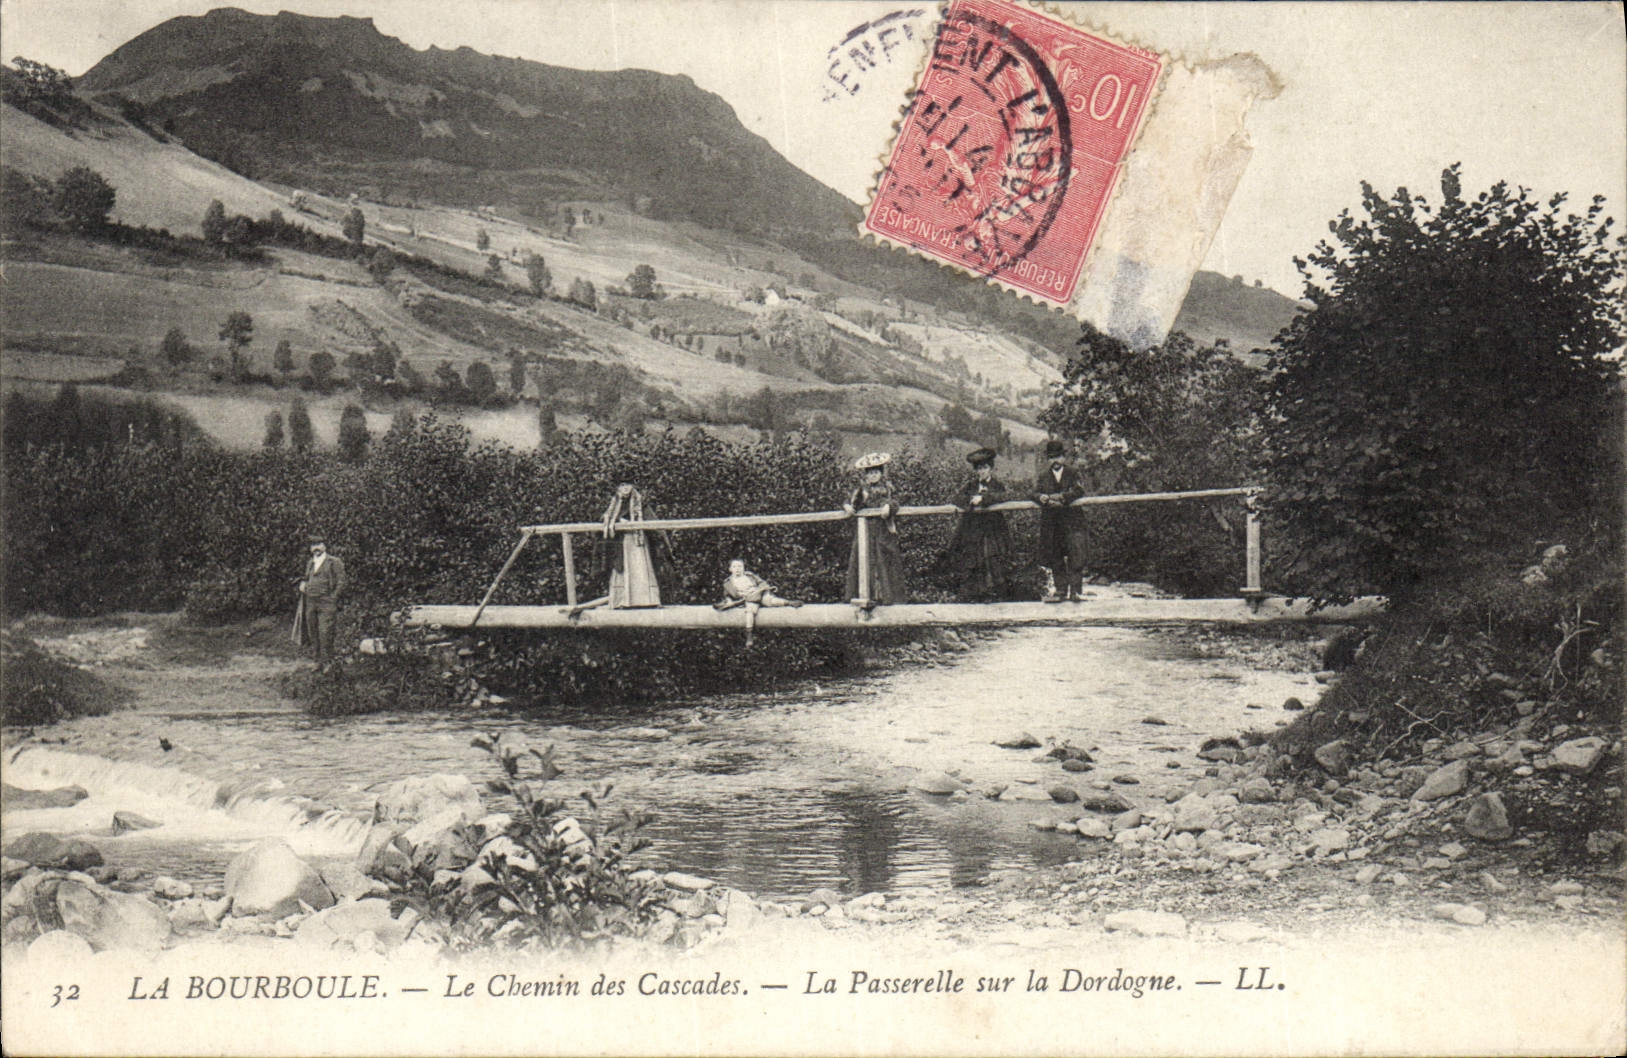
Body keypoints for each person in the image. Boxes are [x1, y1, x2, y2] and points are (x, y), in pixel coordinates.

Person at [571, 483, 669, 615]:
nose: (625, 489)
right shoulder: (614, 504)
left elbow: (651, 520)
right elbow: (606, 519)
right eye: (622, 486)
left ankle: (648, 600)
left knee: (641, 569)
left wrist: (637, 525)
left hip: (638, 542)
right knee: (623, 570)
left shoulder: (640, 503)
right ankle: (623, 600)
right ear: (618, 488)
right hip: (622, 543)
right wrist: (617, 522)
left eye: (628, 485)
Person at [940, 447, 1014, 601]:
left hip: (993, 529)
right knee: (973, 559)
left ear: (991, 469)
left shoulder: (997, 484)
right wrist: (971, 500)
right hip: (973, 530)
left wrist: (984, 499)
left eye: (985, 468)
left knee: (993, 559)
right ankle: (977, 595)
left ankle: (997, 596)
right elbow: (957, 498)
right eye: (979, 469)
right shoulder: (971, 485)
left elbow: (1003, 496)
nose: (982, 472)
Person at [843, 452, 907, 605]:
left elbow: (896, 502)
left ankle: (888, 598)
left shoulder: (888, 488)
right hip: (865, 531)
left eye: (876, 472)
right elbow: (852, 502)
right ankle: (866, 596)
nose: (873, 475)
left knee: (885, 559)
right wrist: (847, 506)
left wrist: (888, 507)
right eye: (870, 473)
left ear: (881, 473)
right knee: (864, 559)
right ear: (866, 475)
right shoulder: (861, 490)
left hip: (883, 530)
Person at [1031, 440, 1091, 601]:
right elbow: (1033, 493)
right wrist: (1041, 497)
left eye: (1058, 457)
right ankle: (1060, 590)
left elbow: (1079, 490)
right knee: (1055, 556)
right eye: (1051, 457)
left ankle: (1076, 591)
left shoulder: (1073, 473)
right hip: (1053, 523)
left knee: (1075, 555)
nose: (1055, 460)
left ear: (1063, 457)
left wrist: (1063, 497)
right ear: (1048, 459)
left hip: (1072, 521)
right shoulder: (1044, 476)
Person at [713, 558, 802, 646]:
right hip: (748, 599)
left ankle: (790, 603)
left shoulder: (750, 576)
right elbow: (727, 595)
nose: (737, 569)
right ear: (730, 569)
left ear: (743, 568)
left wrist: (760, 589)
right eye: (735, 566)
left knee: (771, 601)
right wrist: (729, 601)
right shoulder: (728, 583)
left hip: (758, 594)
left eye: (740, 566)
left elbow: (762, 583)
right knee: (750, 612)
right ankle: (749, 635)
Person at [296, 533, 346, 662]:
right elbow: (307, 577)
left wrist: (333, 597)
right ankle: (317, 661)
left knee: (326, 632)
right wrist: (303, 583)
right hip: (311, 601)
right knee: (313, 632)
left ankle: (328, 662)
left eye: (318, 544)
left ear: (324, 546)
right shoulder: (311, 563)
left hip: (326, 602)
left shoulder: (334, 562)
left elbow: (342, 581)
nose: (315, 548)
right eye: (313, 545)